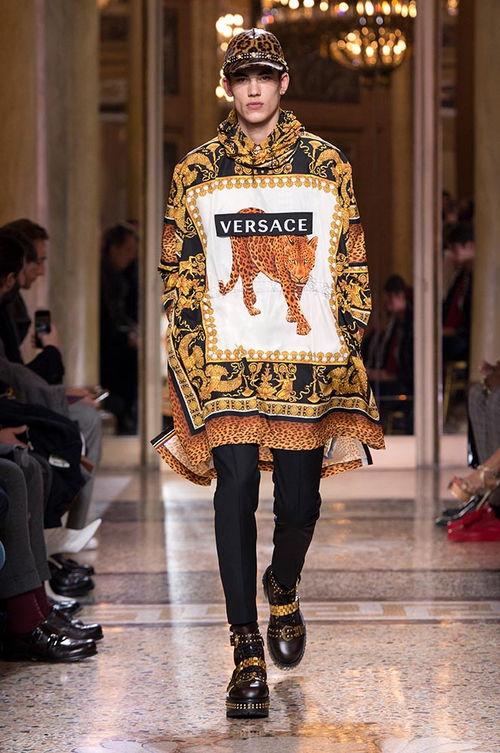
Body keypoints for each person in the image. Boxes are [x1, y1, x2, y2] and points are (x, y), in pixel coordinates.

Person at [154, 28, 384, 718]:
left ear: (283, 84)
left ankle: (282, 585)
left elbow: (350, 256)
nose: (252, 89)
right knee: (234, 491)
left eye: (264, 77)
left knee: (300, 503)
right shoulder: (197, 170)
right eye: (241, 77)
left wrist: (347, 329)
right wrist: (192, 341)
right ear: (228, 87)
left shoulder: (325, 163)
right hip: (227, 364)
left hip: (305, 365)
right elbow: (177, 264)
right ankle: (245, 650)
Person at [99, 223, 139, 434]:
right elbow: (107, 321)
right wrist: (127, 336)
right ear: (114, 248)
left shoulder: (120, 276)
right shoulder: (103, 277)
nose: (132, 256)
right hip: (107, 348)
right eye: (128, 250)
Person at [443, 222, 474, 365]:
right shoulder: (461, 276)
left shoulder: (478, 278)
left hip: (465, 337)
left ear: (470, 246)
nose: (451, 255)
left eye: (455, 249)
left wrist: (452, 331)